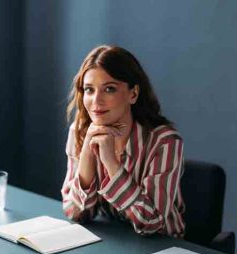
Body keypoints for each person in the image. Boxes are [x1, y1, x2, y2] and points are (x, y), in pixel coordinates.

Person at [61, 45, 185, 237]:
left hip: (164, 249)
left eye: (109, 89)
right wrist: (87, 153)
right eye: (89, 90)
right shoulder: (79, 132)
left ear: (133, 93)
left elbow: (152, 222)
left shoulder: (164, 141)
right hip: (114, 242)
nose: (96, 101)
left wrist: (111, 163)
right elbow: (74, 213)